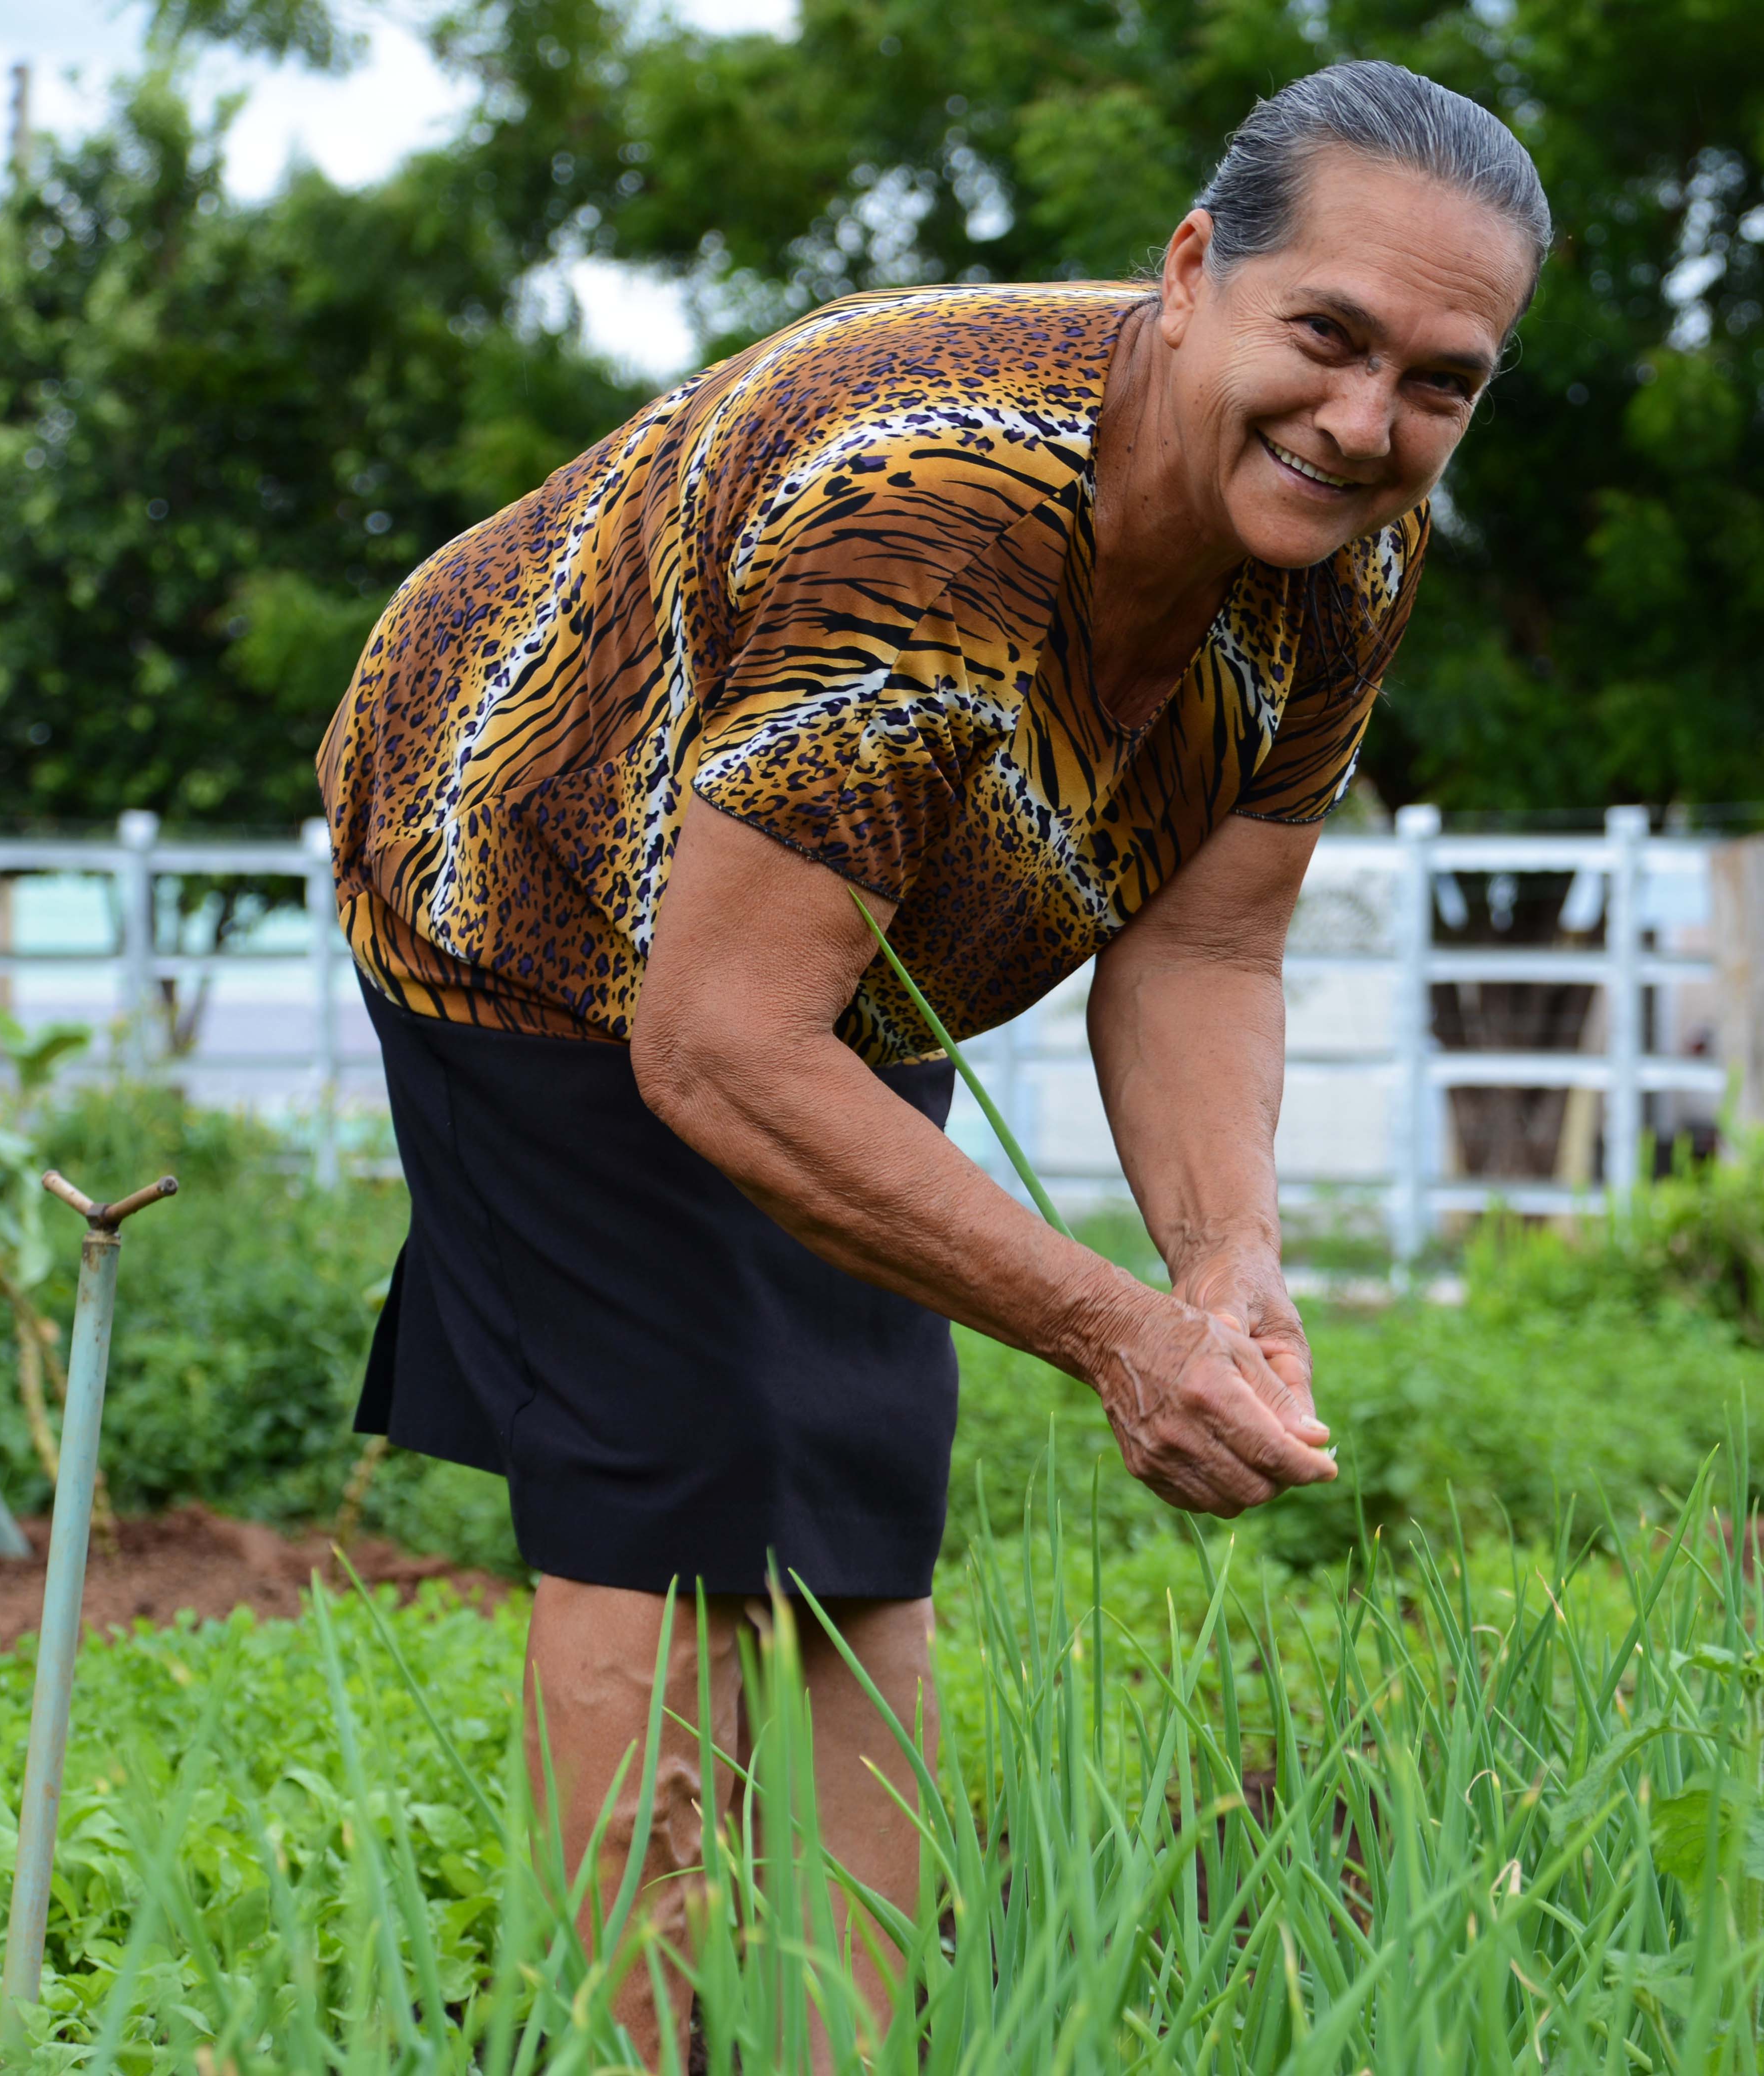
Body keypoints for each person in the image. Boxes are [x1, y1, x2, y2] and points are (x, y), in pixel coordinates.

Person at [311, 58, 1547, 2058]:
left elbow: (1207, 939)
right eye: (1327, 334)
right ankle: (617, 2034)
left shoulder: (1347, 552)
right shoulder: (943, 504)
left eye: (1441, 378)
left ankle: (840, 2042)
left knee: (858, 1461)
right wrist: (1111, 1336)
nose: (1367, 418)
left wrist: (1222, 1270)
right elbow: (716, 1052)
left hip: (841, 930)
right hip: (530, 857)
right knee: (681, 1448)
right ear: (1191, 273)